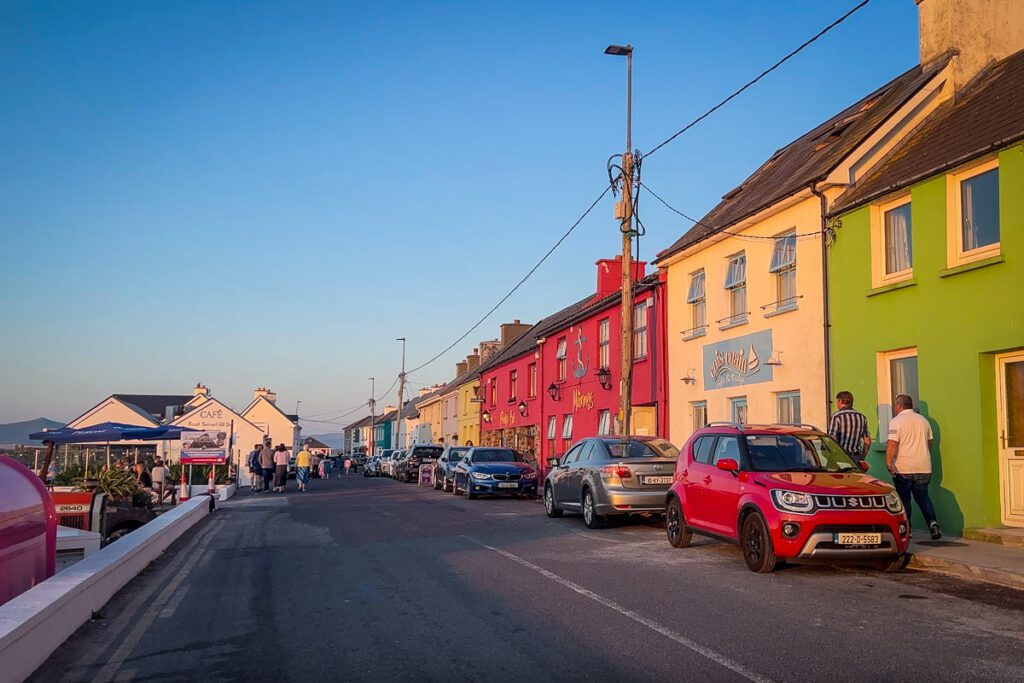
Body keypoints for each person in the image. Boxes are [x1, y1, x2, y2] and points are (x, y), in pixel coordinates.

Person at [886, 394, 941, 540]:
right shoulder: (924, 421)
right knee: (923, 497)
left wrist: (889, 462)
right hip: (923, 467)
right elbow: (930, 442)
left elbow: (892, 444)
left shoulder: (896, 421)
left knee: (904, 499)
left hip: (904, 467)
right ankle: (933, 523)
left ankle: (907, 529)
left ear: (898, 406)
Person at [829, 391, 872, 460]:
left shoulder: (837, 416)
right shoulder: (861, 417)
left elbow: (832, 438)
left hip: (840, 456)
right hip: (855, 456)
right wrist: (862, 457)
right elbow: (867, 440)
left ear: (840, 401)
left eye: (837, 401)